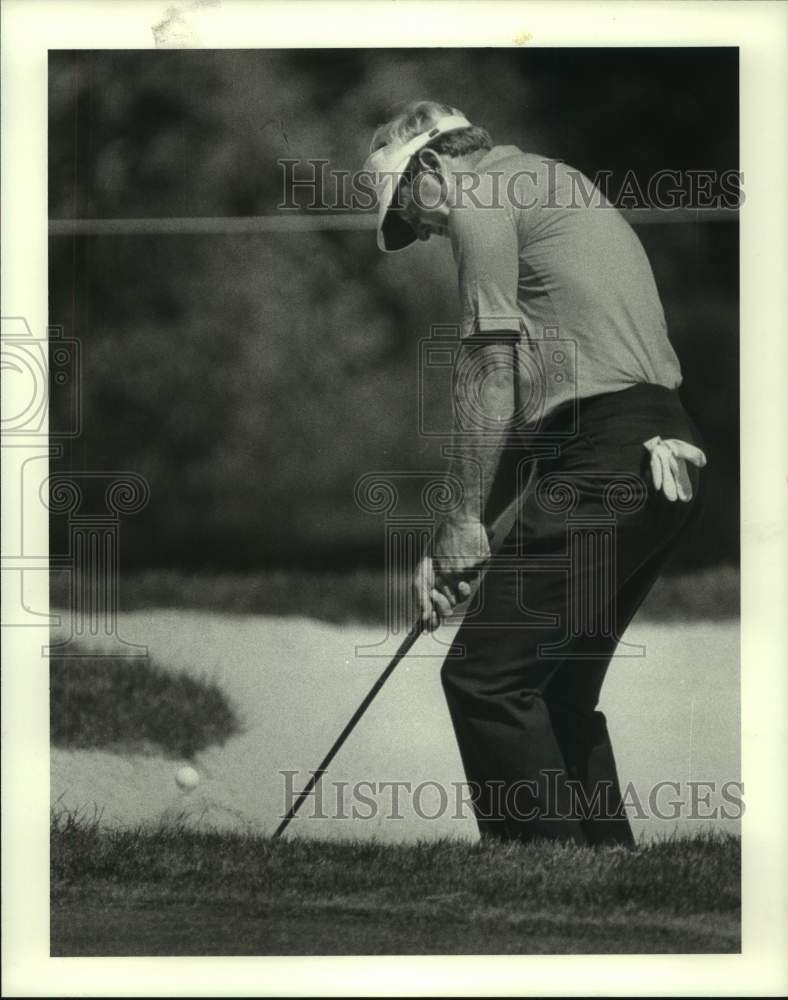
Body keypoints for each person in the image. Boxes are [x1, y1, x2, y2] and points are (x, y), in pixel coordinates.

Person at [364, 101, 707, 845]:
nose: (422, 233)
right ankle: (606, 886)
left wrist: (461, 522)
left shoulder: (481, 196)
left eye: (408, 211)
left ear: (432, 164)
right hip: (660, 456)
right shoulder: (549, 179)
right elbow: (549, 414)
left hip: (607, 458)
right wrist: (467, 535)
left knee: (484, 679)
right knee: (555, 691)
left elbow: (491, 370)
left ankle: (539, 879)